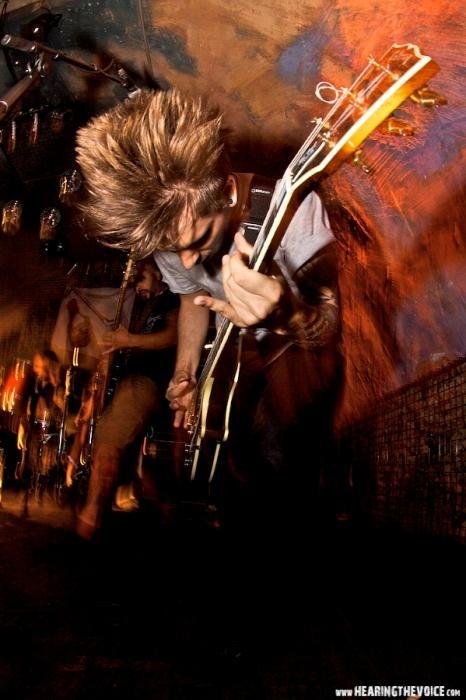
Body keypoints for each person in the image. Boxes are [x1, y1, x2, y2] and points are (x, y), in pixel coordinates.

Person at [75, 88, 342, 536]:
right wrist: (185, 374)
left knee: (276, 469)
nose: (186, 259)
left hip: (296, 353)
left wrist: (287, 315)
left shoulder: (292, 211)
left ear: (227, 190)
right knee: (232, 480)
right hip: (235, 364)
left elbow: (328, 329)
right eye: (171, 250)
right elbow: (189, 297)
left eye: (198, 241)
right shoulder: (170, 232)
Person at [74, 258, 179, 539]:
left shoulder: (171, 298)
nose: (137, 285)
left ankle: (91, 513)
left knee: (108, 440)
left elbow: (173, 336)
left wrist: (129, 340)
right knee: (134, 459)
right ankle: (166, 509)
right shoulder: (143, 307)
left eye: (142, 277)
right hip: (133, 381)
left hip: (148, 381)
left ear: (158, 274)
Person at [17, 349, 65, 510]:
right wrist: (22, 428)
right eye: (35, 365)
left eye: (38, 365)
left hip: (50, 428)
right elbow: (25, 402)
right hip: (34, 426)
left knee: (45, 462)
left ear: (47, 365)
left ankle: (42, 487)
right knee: (30, 461)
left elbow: (60, 407)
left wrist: (55, 386)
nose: (35, 368)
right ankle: (27, 494)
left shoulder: (57, 383)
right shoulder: (33, 380)